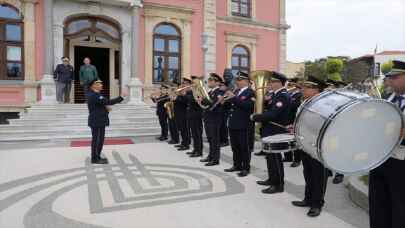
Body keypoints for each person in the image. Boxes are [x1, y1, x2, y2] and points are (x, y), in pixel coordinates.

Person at [369, 60, 405, 228]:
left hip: (401, 163)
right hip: (380, 159)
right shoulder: (386, 99)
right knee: (378, 204)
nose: (390, 80)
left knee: (399, 207)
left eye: (395, 77)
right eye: (389, 77)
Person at [291, 76, 329, 217]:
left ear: (316, 89)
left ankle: (317, 204)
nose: (303, 89)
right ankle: (308, 199)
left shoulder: (324, 104)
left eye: (307, 87)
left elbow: (322, 124)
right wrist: (294, 126)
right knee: (308, 173)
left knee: (319, 175)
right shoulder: (306, 102)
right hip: (305, 142)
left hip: (318, 144)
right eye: (304, 87)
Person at [251, 72, 291, 194]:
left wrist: (256, 117)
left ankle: (278, 184)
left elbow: (274, 114)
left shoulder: (282, 96)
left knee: (275, 158)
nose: (270, 84)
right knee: (269, 157)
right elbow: (268, 108)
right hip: (269, 129)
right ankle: (271, 179)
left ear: (280, 83)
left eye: (273, 82)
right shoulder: (275, 95)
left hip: (276, 130)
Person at [86, 79, 127, 164]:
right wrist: (121, 97)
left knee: (99, 140)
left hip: (99, 120)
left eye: (101, 83)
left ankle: (97, 156)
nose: (101, 84)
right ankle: (95, 158)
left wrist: (106, 108)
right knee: (97, 140)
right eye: (99, 83)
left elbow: (101, 105)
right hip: (97, 121)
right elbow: (108, 102)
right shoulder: (94, 95)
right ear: (93, 85)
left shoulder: (97, 94)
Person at [224, 71, 255, 177]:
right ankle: (236, 165)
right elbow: (232, 105)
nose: (237, 82)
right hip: (233, 123)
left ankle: (246, 167)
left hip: (244, 124)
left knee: (244, 147)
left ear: (246, 81)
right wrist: (224, 100)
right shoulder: (237, 91)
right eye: (237, 80)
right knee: (235, 146)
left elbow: (247, 106)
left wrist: (233, 98)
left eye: (239, 80)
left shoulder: (251, 92)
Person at [325, 78, 348, 184]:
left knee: (340, 151)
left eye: (334, 87)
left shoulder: (346, 98)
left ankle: (339, 174)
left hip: (342, 128)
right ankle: (328, 169)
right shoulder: (330, 97)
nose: (330, 88)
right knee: (329, 149)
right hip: (330, 127)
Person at [200, 73, 225, 166]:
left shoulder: (220, 92)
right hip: (208, 118)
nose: (208, 82)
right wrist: (201, 100)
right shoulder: (210, 92)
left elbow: (214, 104)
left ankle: (215, 159)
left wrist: (205, 100)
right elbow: (205, 103)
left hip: (215, 119)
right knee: (210, 139)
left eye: (211, 80)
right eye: (209, 80)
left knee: (215, 140)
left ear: (217, 82)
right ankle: (210, 156)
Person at [283, 77, 303, 168]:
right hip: (287, 119)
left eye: (291, 85)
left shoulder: (299, 95)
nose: (289, 86)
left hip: (294, 119)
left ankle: (297, 159)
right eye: (289, 84)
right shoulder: (290, 94)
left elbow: (294, 105)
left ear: (295, 85)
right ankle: (288, 157)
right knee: (287, 139)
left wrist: (287, 99)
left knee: (295, 140)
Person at [183, 76, 203, 155]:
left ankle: (199, 151)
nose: (192, 84)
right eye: (192, 82)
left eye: (194, 82)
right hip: (191, 114)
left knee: (198, 134)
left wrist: (185, 95)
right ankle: (195, 149)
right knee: (194, 133)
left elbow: (194, 100)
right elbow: (188, 100)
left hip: (197, 115)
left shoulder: (200, 90)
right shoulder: (192, 91)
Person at [174, 78, 191, 150]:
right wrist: (178, 95)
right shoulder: (182, 92)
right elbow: (179, 101)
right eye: (183, 83)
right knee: (181, 129)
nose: (183, 84)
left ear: (189, 84)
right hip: (179, 113)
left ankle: (186, 144)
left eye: (185, 83)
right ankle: (183, 142)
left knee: (185, 129)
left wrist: (181, 96)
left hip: (185, 113)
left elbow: (186, 102)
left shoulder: (190, 92)